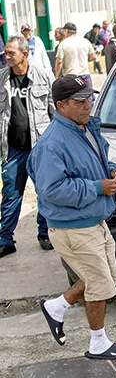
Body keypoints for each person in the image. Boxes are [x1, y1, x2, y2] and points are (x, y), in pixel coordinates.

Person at [30, 75, 116, 360]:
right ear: (60, 106)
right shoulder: (51, 144)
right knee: (99, 282)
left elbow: (97, 163)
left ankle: (57, 307)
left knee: (104, 278)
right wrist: (97, 187)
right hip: (73, 226)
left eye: (88, 98)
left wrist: (112, 171)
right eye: (79, 101)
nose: (87, 105)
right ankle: (98, 343)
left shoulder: (85, 128)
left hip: (94, 219)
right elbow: (51, 190)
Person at [0, 36, 53, 258]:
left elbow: (55, 110)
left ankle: (45, 233)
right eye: (6, 52)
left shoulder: (43, 76)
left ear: (25, 53)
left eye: (11, 52)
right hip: (13, 149)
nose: (6, 55)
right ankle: (5, 239)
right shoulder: (2, 78)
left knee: (44, 192)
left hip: (40, 147)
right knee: (11, 194)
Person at [54, 23, 96, 94]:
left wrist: (57, 77)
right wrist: (84, 60)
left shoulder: (63, 44)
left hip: (70, 77)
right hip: (85, 75)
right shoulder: (85, 41)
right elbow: (93, 56)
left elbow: (59, 62)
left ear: (66, 31)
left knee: (72, 100)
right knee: (88, 99)